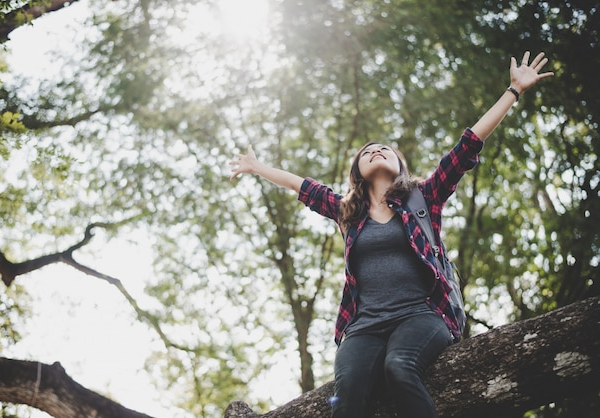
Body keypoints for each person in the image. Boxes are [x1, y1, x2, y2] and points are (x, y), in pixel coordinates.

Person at [229, 51, 553, 418]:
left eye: (384, 148)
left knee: (399, 367)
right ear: (357, 171)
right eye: (367, 151)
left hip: (421, 316)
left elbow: (468, 146)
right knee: (347, 393)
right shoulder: (346, 212)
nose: (376, 150)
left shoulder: (424, 197)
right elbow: (301, 185)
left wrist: (513, 90)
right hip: (363, 326)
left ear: (399, 165)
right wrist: (257, 167)